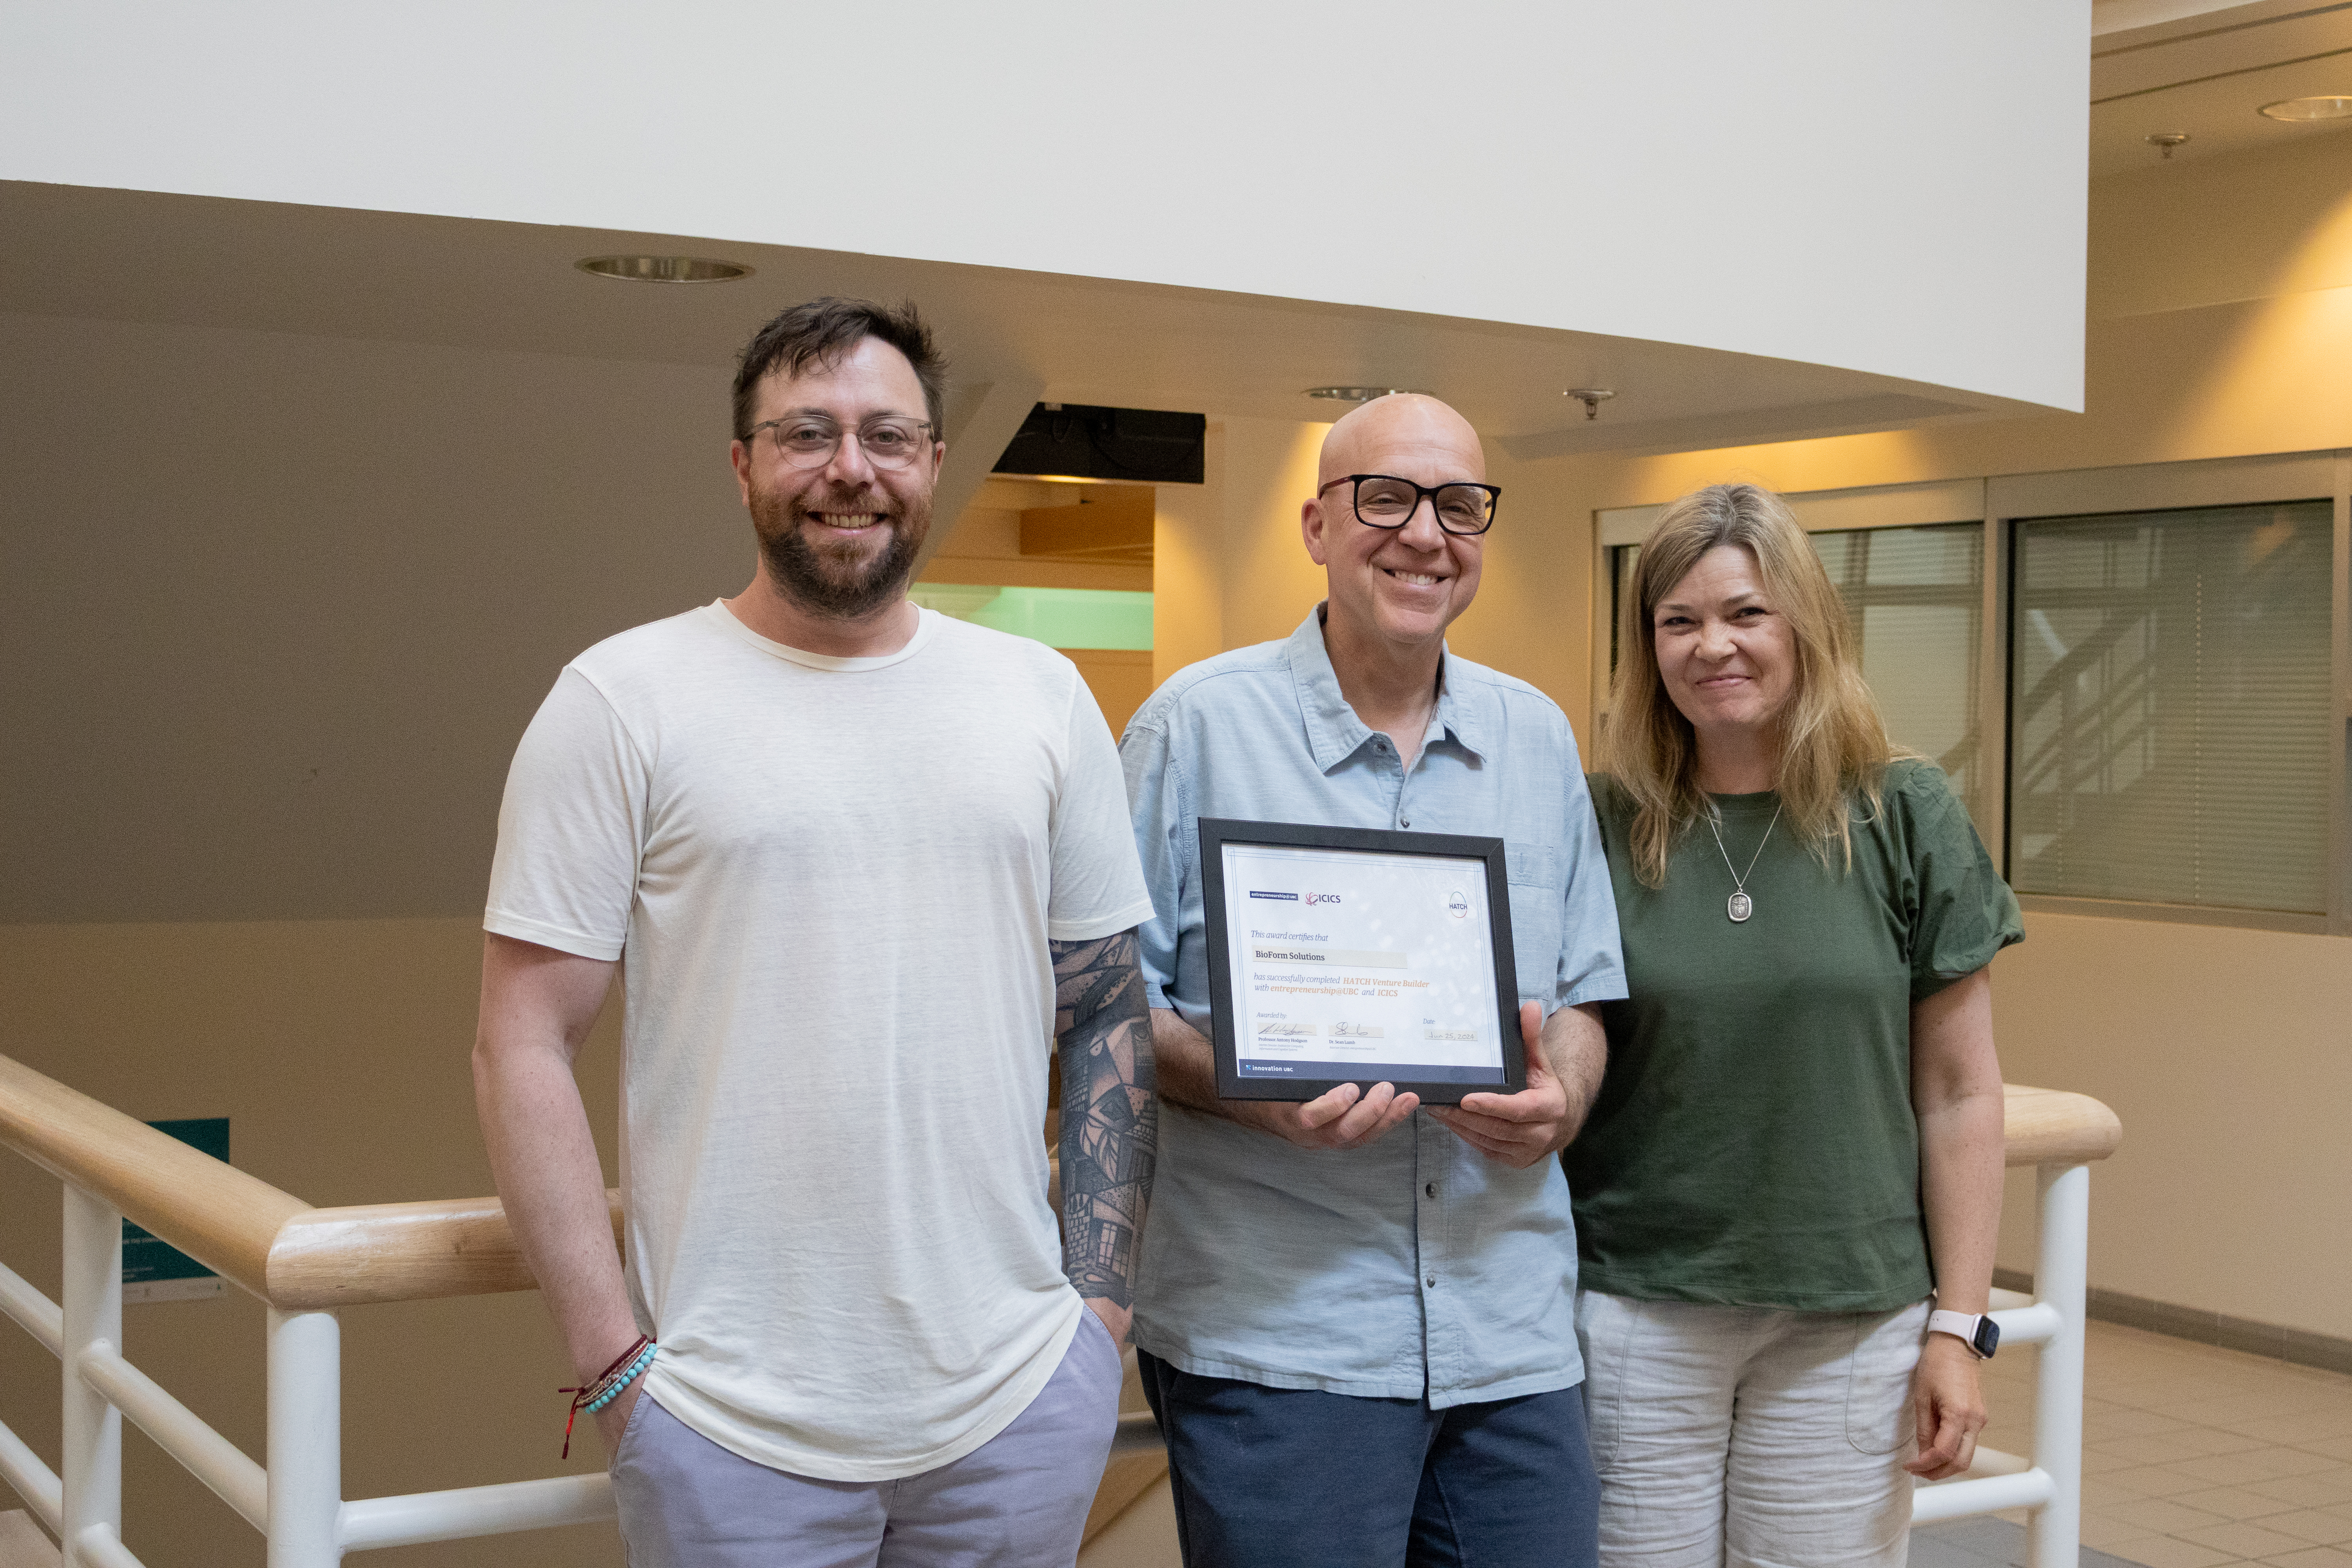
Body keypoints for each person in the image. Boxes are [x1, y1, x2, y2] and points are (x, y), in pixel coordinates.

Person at [472, 296, 1160, 1568]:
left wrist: (1097, 1316)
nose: (852, 469)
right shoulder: (622, 701)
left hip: (1017, 1407)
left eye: (888, 437)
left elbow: (1108, 1005)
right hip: (725, 1432)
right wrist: (611, 1364)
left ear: (935, 465)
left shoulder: (1042, 696)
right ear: (744, 466)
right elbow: (522, 1039)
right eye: (808, 434)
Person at [1119, 393, 1625, 1568]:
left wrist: (1565, 1102)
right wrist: (1250, 1088)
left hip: (1511, 1338)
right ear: (1315, 526)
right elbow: (1106, 1012)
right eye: (1384, 498)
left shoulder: (1538, 739)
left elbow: (1589, 992)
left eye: (1459, 504)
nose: (1425, 535)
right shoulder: (1195, 729)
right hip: (1279, 1337)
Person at [1568, 482, 2020, 1568]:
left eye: (1744, 614)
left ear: (1806, 624)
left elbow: (1961, 1092)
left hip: (1850, 1317)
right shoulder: (1599, 817)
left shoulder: (1903, 813)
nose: (1712, 646)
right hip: (1635, 1303)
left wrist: (1958, 1331)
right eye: (1678, 622)